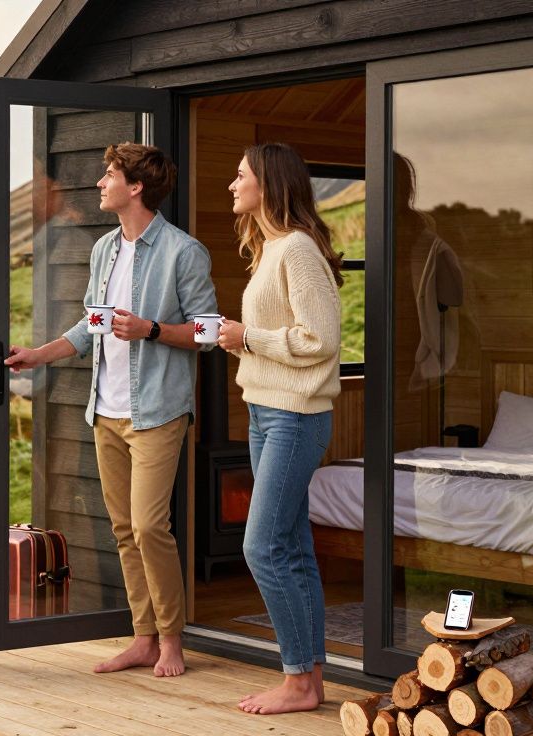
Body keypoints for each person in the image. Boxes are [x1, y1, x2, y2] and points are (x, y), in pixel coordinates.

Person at [4, 142, 217, 678]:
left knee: (150, 527)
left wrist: (150, 329)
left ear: (136, 187)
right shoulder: (105, 250)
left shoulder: (182, 252)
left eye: (109, 174)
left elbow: (208, 332)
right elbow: (92, 326)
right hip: (107, 410)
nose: (101, 183)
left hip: (158, 413)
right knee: (124, 529)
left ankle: (172, 640)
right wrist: (39, 355)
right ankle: (143, 637)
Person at [217, 142, 343, 714]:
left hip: (296, 416)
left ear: (268, 183)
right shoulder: (269, 248)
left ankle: (295, 678)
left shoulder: (297, 250)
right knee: (291, 547)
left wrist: (248, 338)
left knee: (262, 546)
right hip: (267, 412)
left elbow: (320, 341)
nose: (231, 184)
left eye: (241, 175)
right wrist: (238, 340)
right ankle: (310, 680)